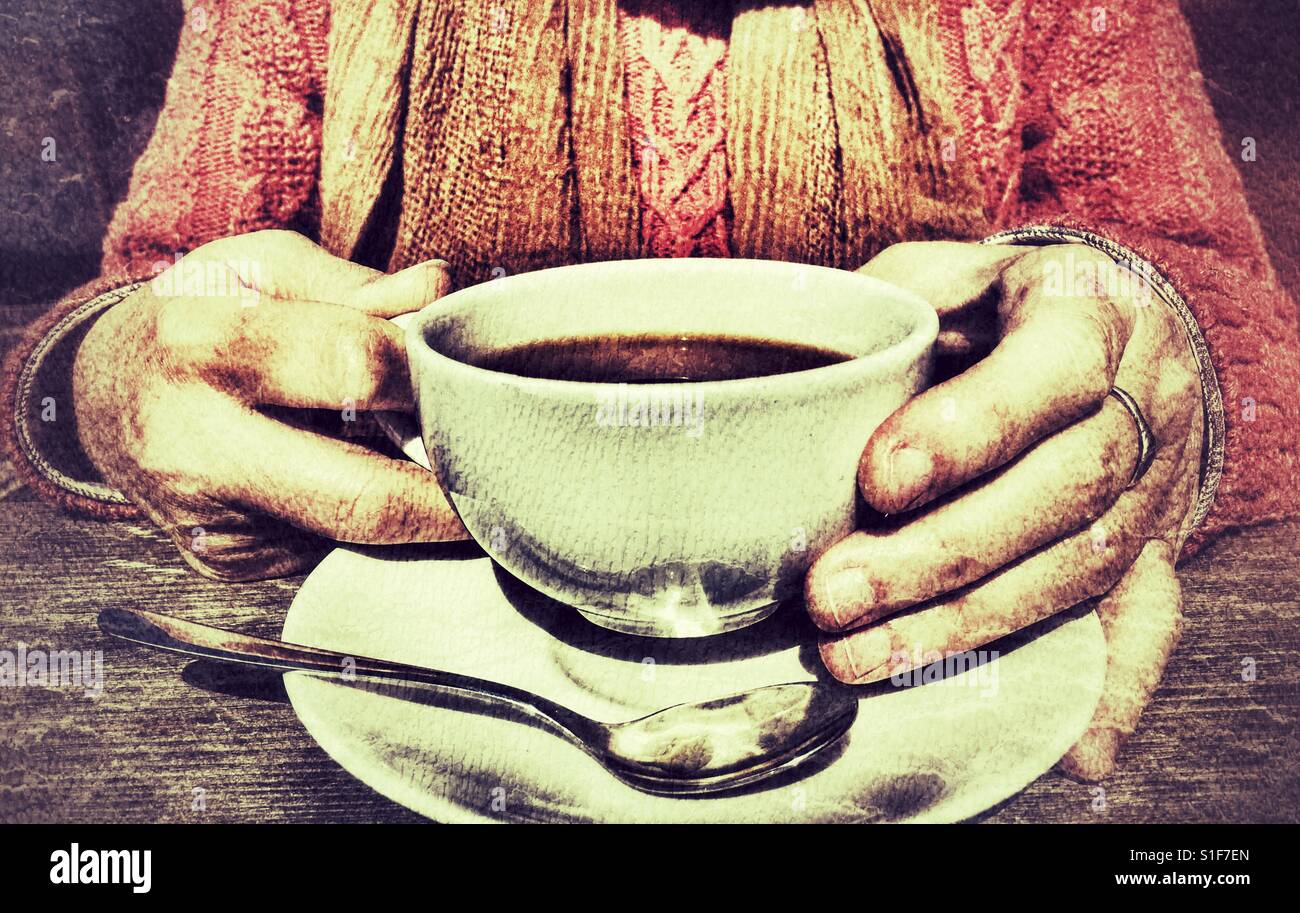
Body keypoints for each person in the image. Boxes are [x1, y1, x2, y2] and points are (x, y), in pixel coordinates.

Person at [3, 0, 1297, 782]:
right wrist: (108, 383)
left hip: (901, 670)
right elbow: (111, 335)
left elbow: (1223, 315)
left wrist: (1138, 376)